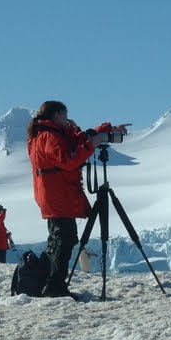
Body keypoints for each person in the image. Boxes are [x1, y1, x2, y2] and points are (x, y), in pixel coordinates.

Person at [27, 100, 130, 298]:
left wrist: (105, 131)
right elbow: (68, 159)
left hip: (57, 194)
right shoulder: (48, 136)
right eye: (64, 116)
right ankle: (54, 286)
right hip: (58, 195)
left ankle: (52, 283)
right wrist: (91, 145)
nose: (67, 120)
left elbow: (75, 139)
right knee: (64, 239)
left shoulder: (49, 133)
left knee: (61, 239)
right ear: (56, 115)